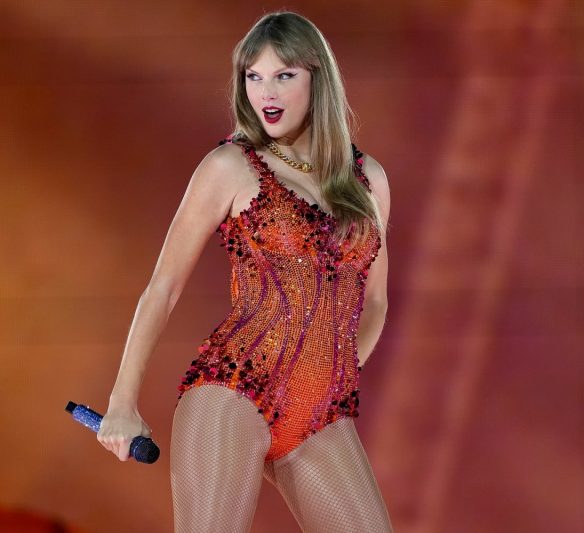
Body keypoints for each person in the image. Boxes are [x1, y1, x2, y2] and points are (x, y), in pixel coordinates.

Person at [97, 11, 392, 533]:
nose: (265, 92)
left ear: (317, 78)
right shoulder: (230, 167)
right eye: (253, 76)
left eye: (283, 75)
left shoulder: (367, 179)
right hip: (233, 393)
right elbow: (163, 288)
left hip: (318, 414)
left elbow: (375, 301)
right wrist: (122, 402)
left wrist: (331, 374)